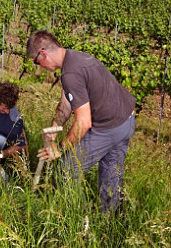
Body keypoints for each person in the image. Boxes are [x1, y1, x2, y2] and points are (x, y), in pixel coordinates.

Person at [27, 30, 136, 213]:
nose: (39, 66)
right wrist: (56, 125)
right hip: (126, 119)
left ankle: (76, 221)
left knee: (66, 171)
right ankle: (110, 223)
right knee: (111, 175)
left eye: (36, 62)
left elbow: (84, 123)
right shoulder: (74, 58)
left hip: (108, 127)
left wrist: (59, 148)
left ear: (43, 53)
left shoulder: (70, 74)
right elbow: (66, 103)